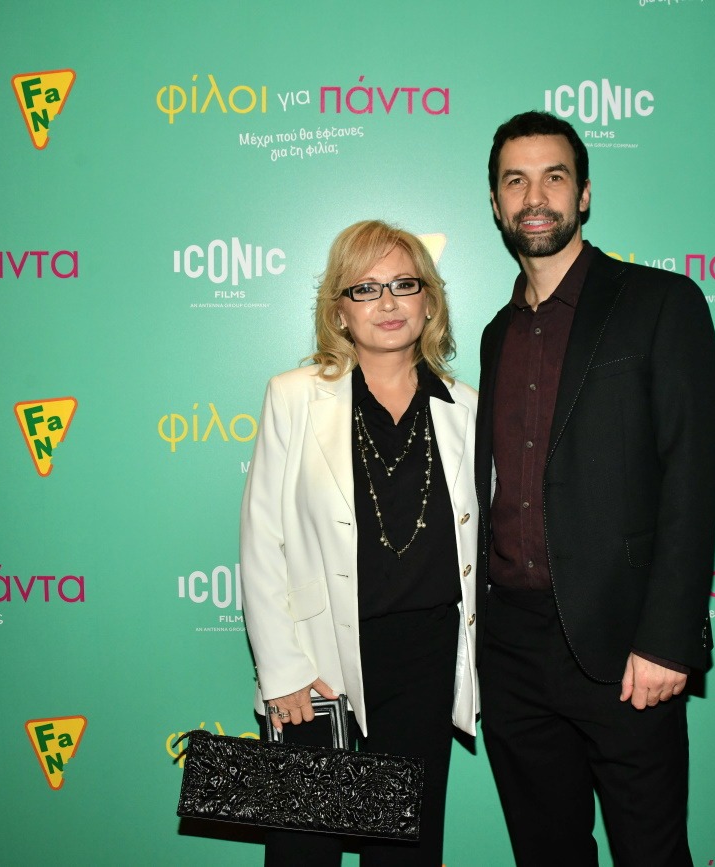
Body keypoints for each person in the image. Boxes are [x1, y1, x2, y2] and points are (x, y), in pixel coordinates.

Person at [474, 111, 715, 867]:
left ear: (584, 194)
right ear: (496, 203)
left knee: (652, 854)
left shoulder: (660, 302)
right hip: (511, 650)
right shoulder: (495, 334)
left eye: (554, 177)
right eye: (515, 181)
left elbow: (692, 478)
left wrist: (667, 639)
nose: (535, 197)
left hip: (624, 648)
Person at [239, 220, 480, 867]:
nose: (388, 302)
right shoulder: (295, 397)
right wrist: (283, 671)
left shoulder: (466, 408)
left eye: (404, 284)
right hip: (318, 669)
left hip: (426, 663)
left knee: (403, 855)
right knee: (303, 854)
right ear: (339, 310)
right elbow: (262, 538)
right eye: (365, 288)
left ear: (429, 300)